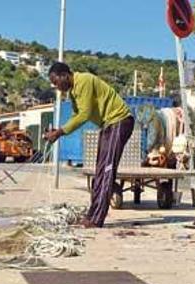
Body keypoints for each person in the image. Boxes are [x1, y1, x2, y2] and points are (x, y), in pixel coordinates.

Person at [44, 62, 134, 228]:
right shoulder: (73, 92)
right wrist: (57, 131)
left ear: (65, 75)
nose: (57, 87)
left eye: (57, 82)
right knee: (100, 171)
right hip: (108, 125)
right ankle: (92, 214)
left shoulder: (84, 80)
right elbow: (76, 115)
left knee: (106, 172)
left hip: (119, 121)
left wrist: (59, 133)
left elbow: (84, 114)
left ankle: (96, 219)